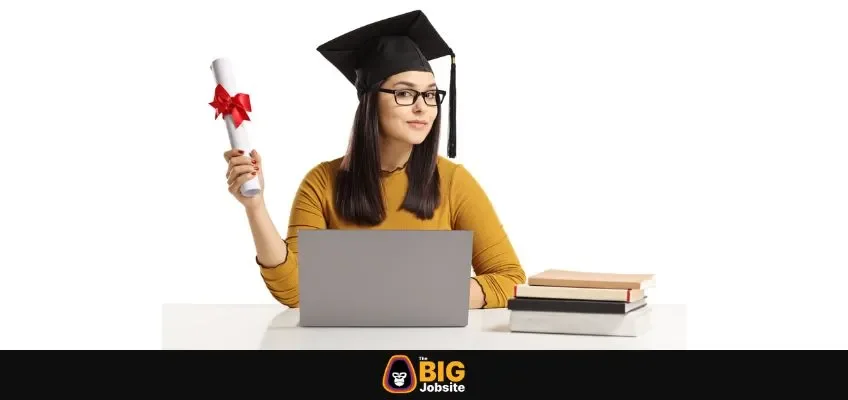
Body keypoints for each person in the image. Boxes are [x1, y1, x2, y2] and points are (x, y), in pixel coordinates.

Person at [222, 10, 526, 309]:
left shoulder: (453, 181)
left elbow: (510, 279)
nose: (423, 107)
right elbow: (297, 292)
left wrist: (421, 293)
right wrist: (256, 207)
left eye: (430, 95)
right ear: (370, 101)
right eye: (405, 94)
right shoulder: (322, 183)